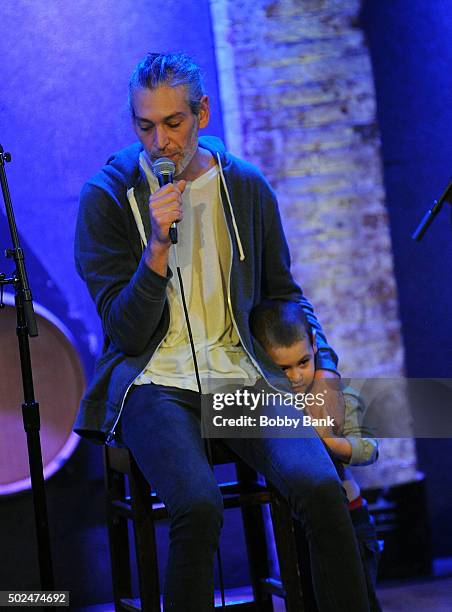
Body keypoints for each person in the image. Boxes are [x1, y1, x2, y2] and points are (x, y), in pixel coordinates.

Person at [74, 52, 370, 611]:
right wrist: (157, 249)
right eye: (145, 125)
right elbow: (125, 330)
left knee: (320, 486)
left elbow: (283, 289)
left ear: (202, 113)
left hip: (235, 376)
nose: (160, 141)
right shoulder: (109, 197)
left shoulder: (246, 187)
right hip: (153, 384)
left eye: (173, 123)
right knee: (199, 505)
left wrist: (324, 364)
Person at [250, 299, 382, 612]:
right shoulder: (267, 404)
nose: (296, 376)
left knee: (358, 600)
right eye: (283, 368)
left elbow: (369, 447)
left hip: (350, 519)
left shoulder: (335, 396)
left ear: (313, 345)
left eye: (303, 362)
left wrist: (329, 442)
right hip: (296, 523)